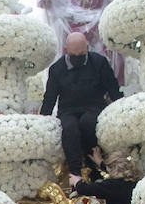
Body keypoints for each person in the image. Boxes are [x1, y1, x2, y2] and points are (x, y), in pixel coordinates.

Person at [40, 32, 122, 179]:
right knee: (70, 129)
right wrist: (41, 121)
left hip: (94, 106)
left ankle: (94, 169)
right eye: (74, 55)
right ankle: (75, 174)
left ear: (87, 48)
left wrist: (121, 110)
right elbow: (50, 97)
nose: (77, 58)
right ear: (66, 50)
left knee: (88, 123)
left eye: (81, 54)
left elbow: (113, 89)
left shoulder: (99, 62)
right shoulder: (57, 69)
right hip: (68, 110)